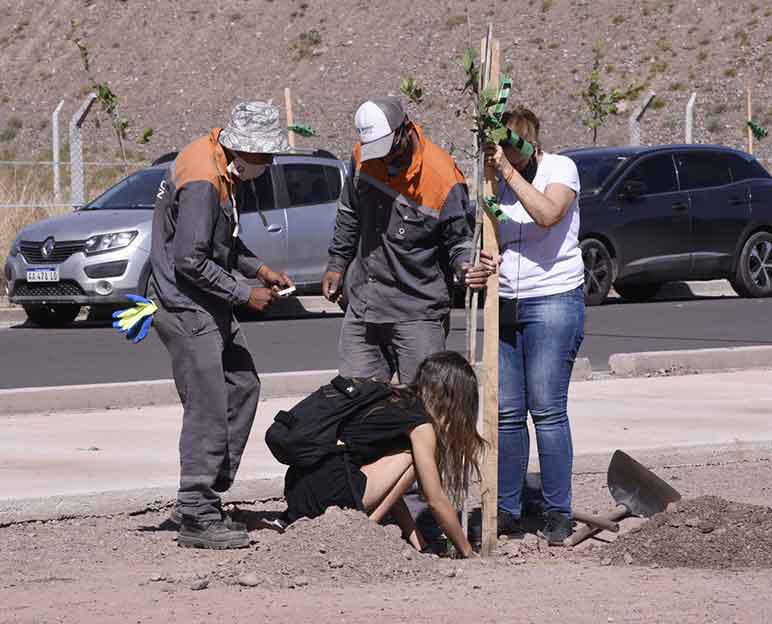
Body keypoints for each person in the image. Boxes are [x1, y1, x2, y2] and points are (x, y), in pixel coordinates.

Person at [149, 101, 293, 549]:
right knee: (209, 403)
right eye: (265, 156)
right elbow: (189, 260)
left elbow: (220, 240)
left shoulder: (219, 164)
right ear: (244, 148)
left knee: (242, 384)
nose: (268, 164)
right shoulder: (204, 179)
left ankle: (206, 490)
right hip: (185, 305)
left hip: (205, 302)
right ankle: (196, 509)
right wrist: (243, 293)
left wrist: (258, 269)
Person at [322, 96, 497, 384]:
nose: (381, 158)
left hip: (417, 312)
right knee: (356, 403)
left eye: (386, 149)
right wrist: (337, 263)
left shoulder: (441, 177)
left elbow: (459, 241)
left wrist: (466, 268)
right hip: (364, 304)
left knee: (421, 408)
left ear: (404, 130)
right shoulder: (361, 158)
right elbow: (349, 212)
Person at [483, 106, 585, 545]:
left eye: (514, 151)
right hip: (504, 302)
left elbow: (548, 214)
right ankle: (507, 508)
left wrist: (507, 172)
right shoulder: (492, 180)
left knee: (546, 410)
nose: (508, 158)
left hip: (554, 298)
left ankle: (557, 511)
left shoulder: (561, 168)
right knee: (506, 414)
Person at [281, 351, 484, 557]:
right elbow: (435, 500)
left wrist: (421, 546)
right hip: (327, 491)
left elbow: (393, 494)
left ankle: (363, 529)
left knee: (408, 461)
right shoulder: (420, 425)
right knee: (412, 460)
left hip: (301, 489)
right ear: (454, 399)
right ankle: (358, 531)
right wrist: (467, 551)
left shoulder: (395, 400)